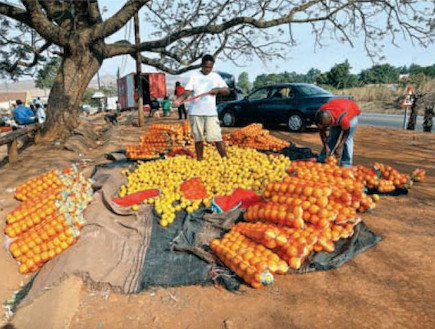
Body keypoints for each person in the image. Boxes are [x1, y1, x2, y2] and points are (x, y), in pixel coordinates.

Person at [172, 54, 230, 161]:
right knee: (198, 139)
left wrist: (218, 90)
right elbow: (186, 92)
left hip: (211, 113)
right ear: (201, 65)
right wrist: (178, 101)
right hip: (196, 112)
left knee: (217, 137)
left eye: (210, 67)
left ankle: (225, 160)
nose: (208, 69)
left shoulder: (216, 77)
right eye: (206, 67)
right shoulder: (194, 76)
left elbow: (227, 90)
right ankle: (200, 161)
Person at [315, 98, 361, 166]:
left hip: (351, 113)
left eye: (327, 125)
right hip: (337, 111)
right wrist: (326, 146)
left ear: (330, 120)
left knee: (347, 141)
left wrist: (340, 146)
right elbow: (322, 132)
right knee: (332, 137)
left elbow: (346, 132)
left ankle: (346, 163)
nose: (326, 127)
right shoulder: (320, 116)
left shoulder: (342, 118)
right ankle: (323, 159)